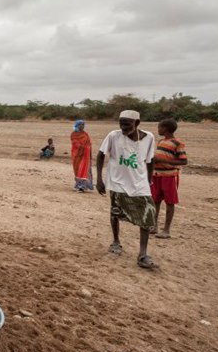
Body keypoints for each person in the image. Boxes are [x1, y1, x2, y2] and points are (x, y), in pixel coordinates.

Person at [96, 110, 157, 269]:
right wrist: (99, 179)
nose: (123, 127)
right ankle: (116, 242)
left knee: (147, 215)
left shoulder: (149, 138)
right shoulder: (113, 136)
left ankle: (143, 254)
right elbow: (101, 155)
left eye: (127, 124)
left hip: (140, 183)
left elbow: (150, 161)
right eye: (121, 124)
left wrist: (149, 180)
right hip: (117, 182)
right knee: (115, 212)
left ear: (137, 123)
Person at [150, 118, 187, 238]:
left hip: (169, 176)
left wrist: (162, 160)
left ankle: (166, 230)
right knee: (155, 200)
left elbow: (184, 161)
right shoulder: (161, 141)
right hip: (157, 175)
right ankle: (154, 226)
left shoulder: (177, 143)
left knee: (170, 202)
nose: (158, 129)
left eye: (159, 127)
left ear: (165, 129)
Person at [70, 120, 94, 191]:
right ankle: (79, 185)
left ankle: (83, 186)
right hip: (77, 155)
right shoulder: (73, 134)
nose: (82, 126)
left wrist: (87, 148)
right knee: (78, 170)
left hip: (85, 155)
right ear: (77, 125)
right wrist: (82, 147)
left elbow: (89, 143)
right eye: (81, 124)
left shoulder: (85, 134)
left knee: (84, 170)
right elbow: (75, 143)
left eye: (83, 125)